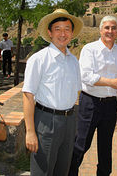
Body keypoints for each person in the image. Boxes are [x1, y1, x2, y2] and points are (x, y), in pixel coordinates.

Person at [69, 15, 117, 176]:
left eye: (113, 28)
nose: (110, 31)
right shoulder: (89, 49)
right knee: (81, 144)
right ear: (100, 30)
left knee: (106, 147)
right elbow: (86, 77)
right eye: (107, 28)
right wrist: (111, 83)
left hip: (110, 105)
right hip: (90, 103)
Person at [22, 9, 83, 176]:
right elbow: (28, 95)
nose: (62, 34)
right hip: (46, 122)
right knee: (42, 171)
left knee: (62, 171)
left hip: (69, 121)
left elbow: (76, 94)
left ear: (72, 33)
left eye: (67, 29)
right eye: (58, 29)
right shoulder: (39, 59)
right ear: (49, 33)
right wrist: (30, 131)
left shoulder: (73, 61)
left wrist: (74, 123)